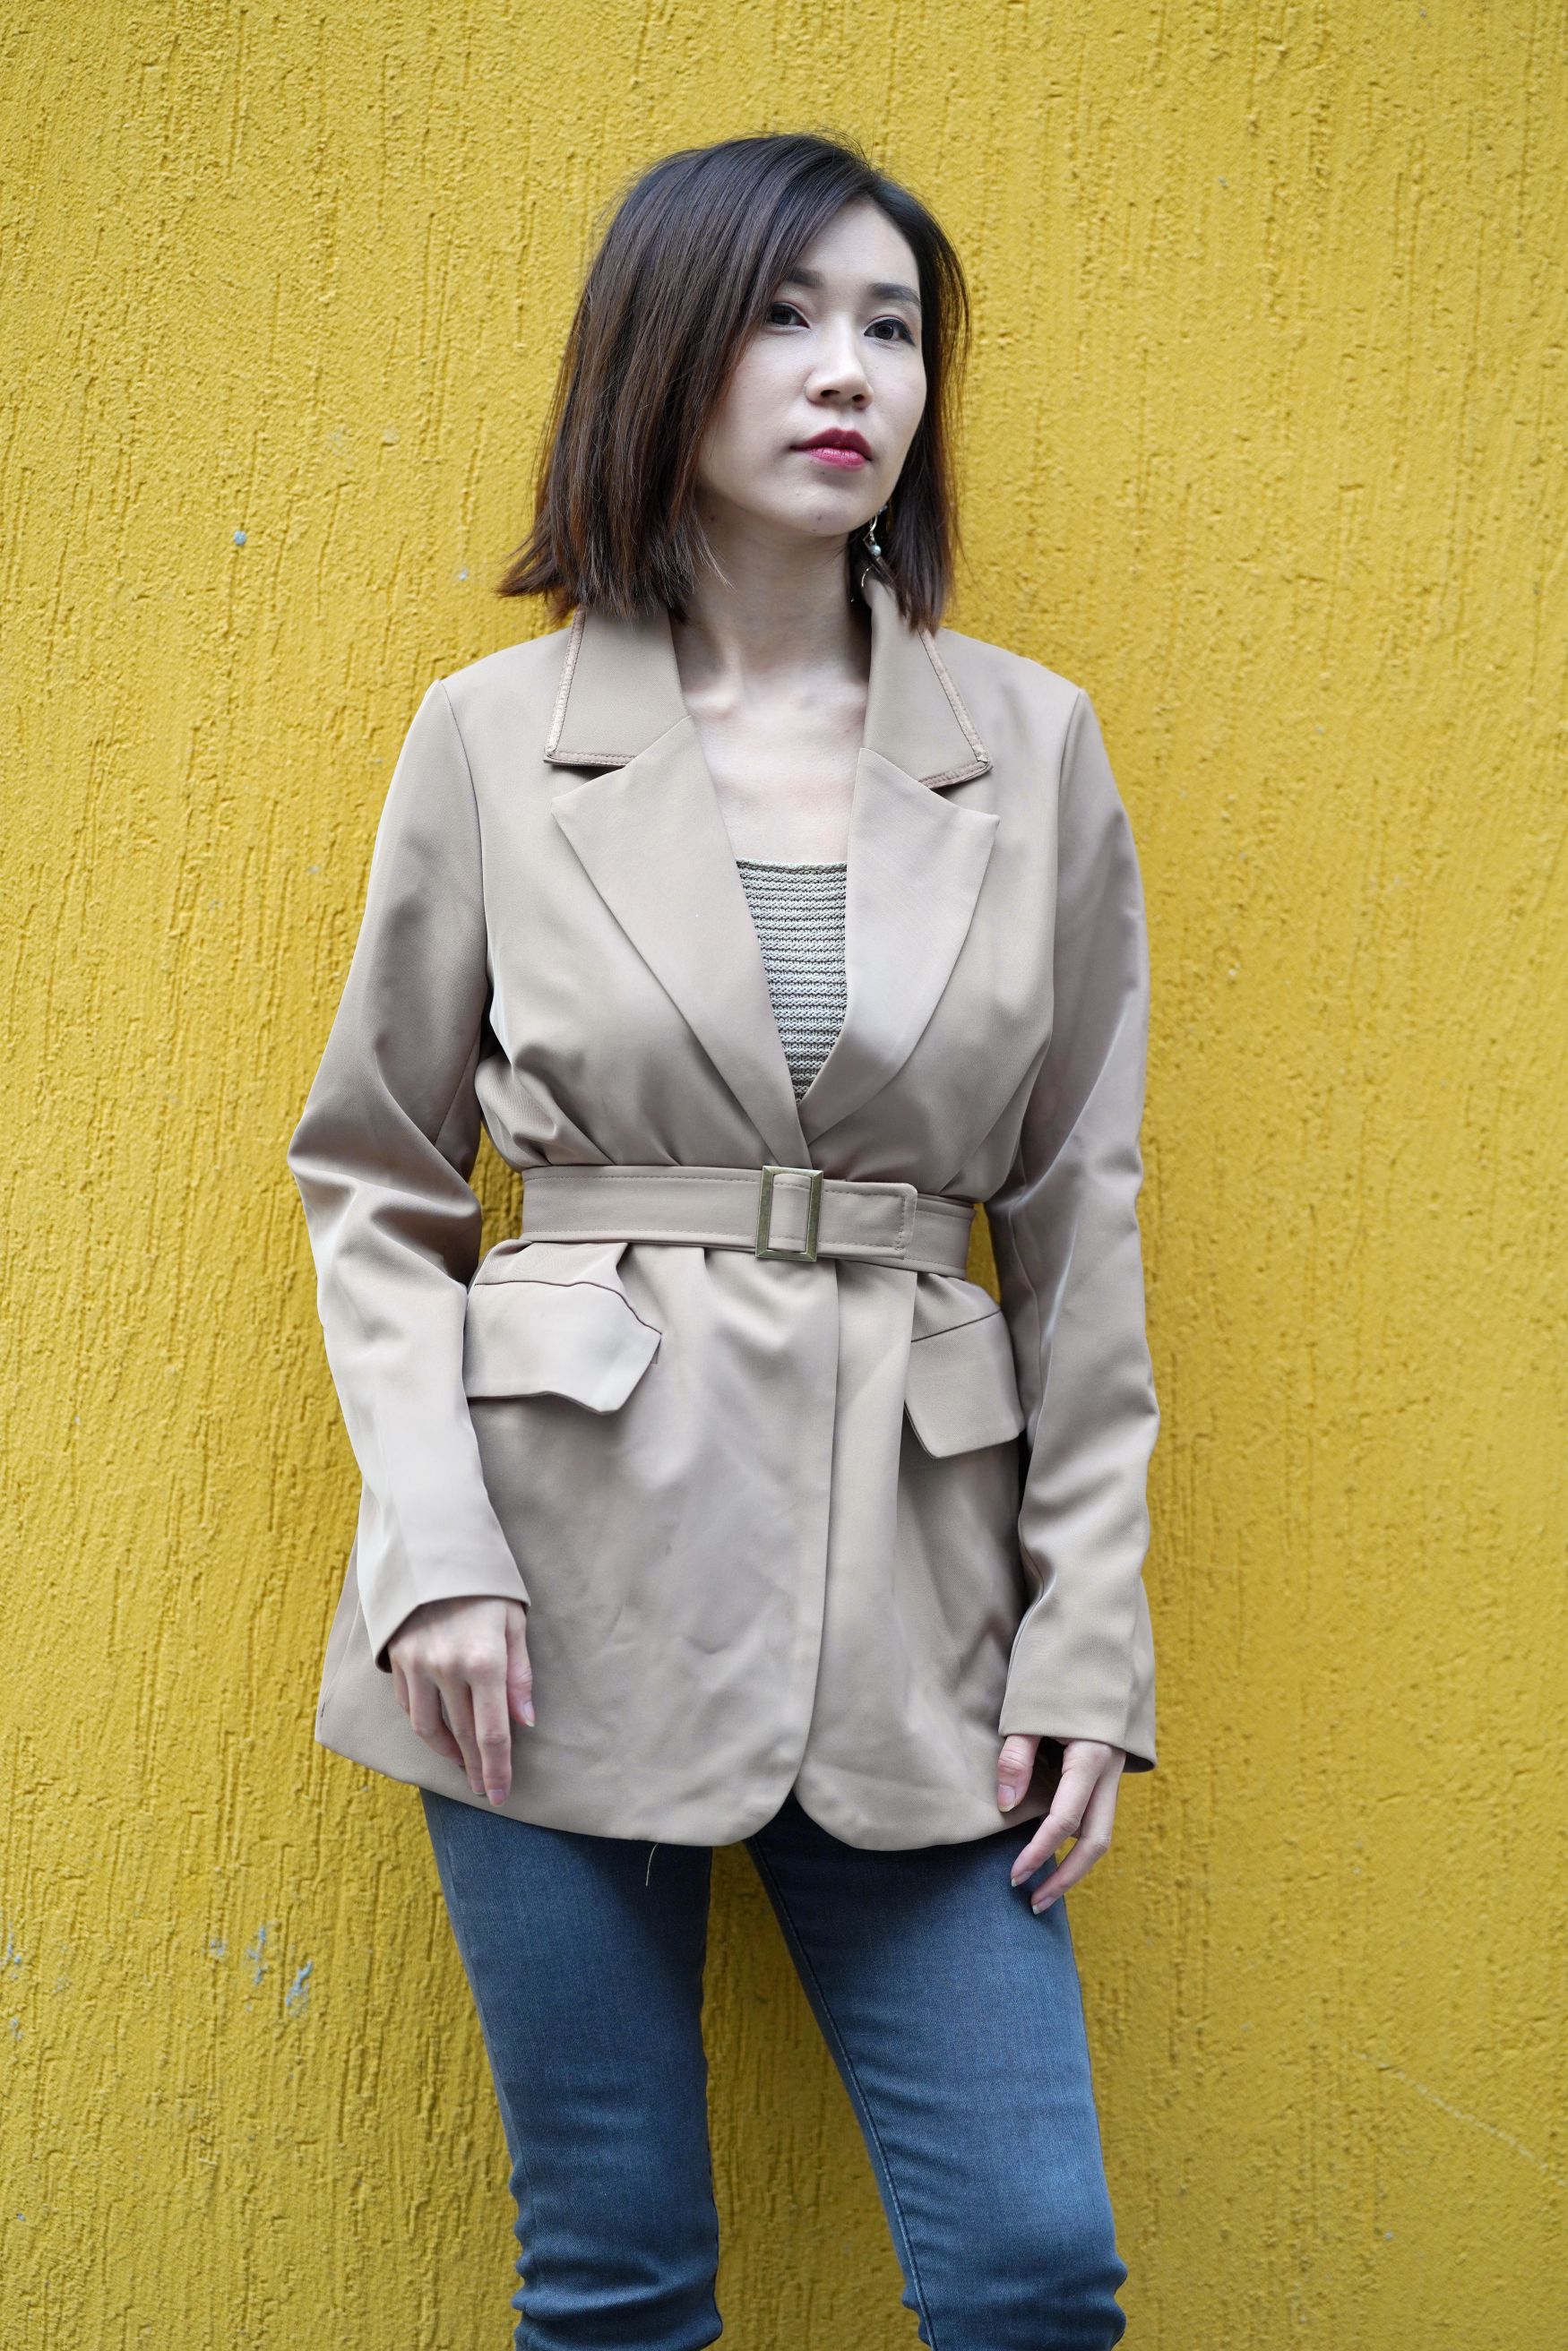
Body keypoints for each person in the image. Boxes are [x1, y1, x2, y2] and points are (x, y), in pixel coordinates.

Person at [288, 128, 1160, 2351]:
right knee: (615, 2279)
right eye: (783, 316)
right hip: (545, 1583)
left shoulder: (1031, 747)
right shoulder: (494, 739)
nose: (847, 371)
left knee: (1032, 2268)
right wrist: (434, 1545)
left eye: (889, 327)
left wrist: (1088, 1637)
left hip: (920, 1596)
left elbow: (1076, 1215)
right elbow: (374, 1176)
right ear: (661, 353)